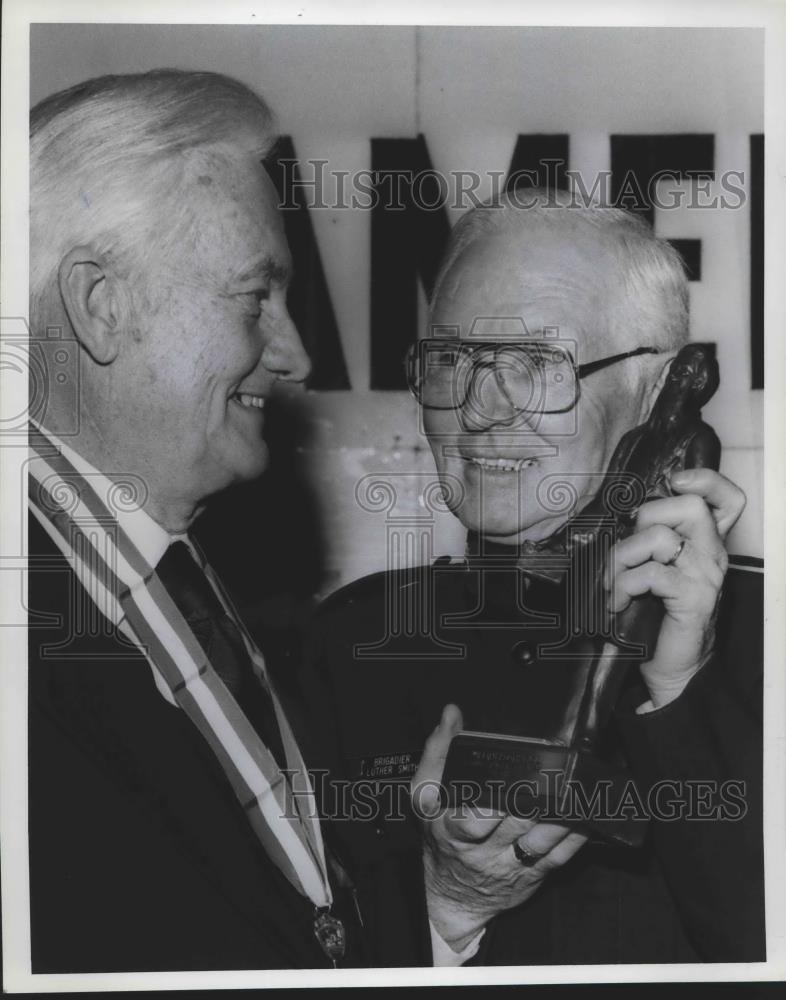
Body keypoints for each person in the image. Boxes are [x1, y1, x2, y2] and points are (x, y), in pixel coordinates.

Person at [26, 69, 440, 972]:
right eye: (257, 297)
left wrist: (451, 902)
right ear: (104, 305)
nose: (294, 354)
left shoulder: (188, 590)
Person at [299, 190, 764, 965]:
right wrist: (447, 908)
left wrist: (679, 700)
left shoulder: (765, 634)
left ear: (659, 390)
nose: (480, 409)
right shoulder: (351, 645)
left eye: (536, 366)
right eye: (451, 361)